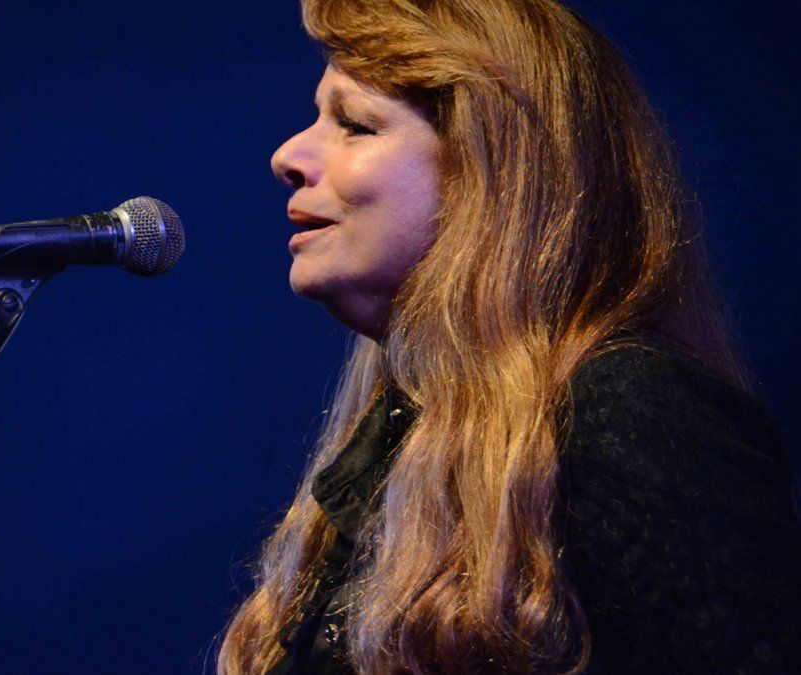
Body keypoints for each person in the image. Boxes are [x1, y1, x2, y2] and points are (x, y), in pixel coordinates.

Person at [219, 0, 801, 673]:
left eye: (355, 123)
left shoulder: (628, 409)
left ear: (492, 168)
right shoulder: (398, 434)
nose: (287, 156)